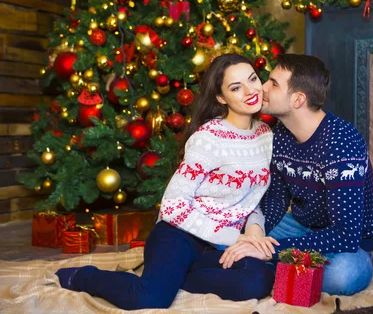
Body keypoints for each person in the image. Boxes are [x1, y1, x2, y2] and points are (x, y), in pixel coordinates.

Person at [56, 54, 278, 310]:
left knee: (257, 281)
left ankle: (175, 277)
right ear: (220, 98)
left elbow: (253, 199)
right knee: (149, 298)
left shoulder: (265, 135)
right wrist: (236, 239)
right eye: (235, 87)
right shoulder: (208, 139)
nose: (250, 91)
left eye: (253, 79)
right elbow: (173, 207)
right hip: (179, 235)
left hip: (216, 246)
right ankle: (83, 276)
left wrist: (254, 232)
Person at [220, 54, 373, 296]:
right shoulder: (281, 135)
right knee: (232, 235)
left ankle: (270, 268)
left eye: (273, 83)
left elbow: (345, 236)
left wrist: (269, 251)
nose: (261, 87)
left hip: (348, 244)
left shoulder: (342, 143)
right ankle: (287, 269)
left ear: (298, 99)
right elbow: (274, 202)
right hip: (300, 227)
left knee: (340, 278)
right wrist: (256, 237)